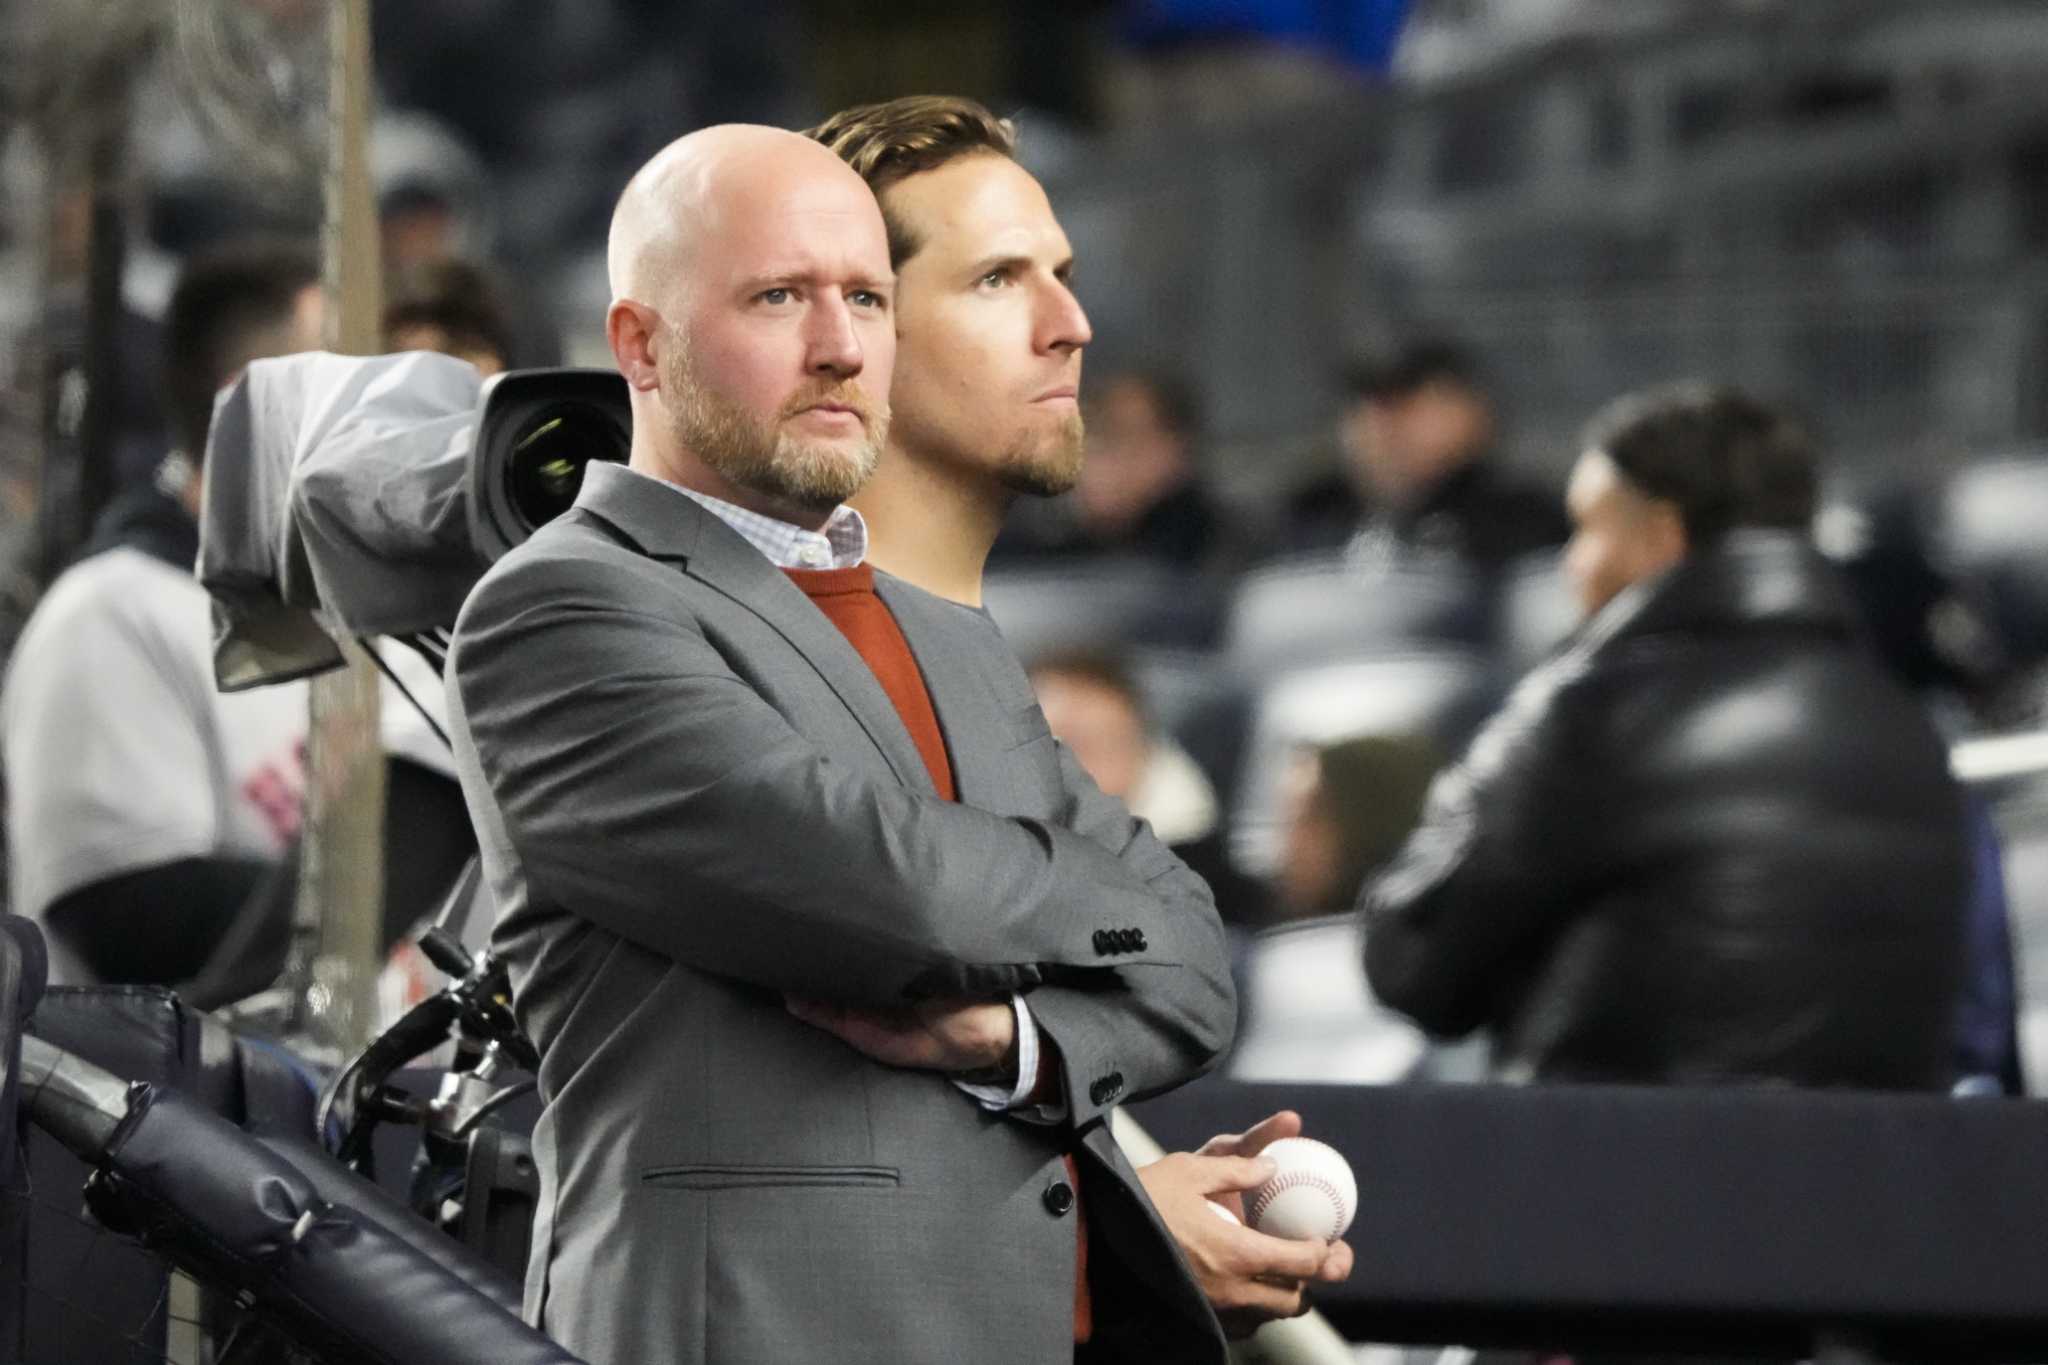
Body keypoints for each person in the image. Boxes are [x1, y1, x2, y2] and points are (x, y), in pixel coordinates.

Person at [446, 124, 1238, 1365]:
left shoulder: (945, 632)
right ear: (637, 345)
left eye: (865, 298)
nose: (838, 347)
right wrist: (1093, 899)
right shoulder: (562, 608)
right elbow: (896, 898)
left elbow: (1192, 960)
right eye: (778, 298)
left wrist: (1016, 1043)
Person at [806, 96, 1352, 1333]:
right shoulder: (760, 659)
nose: (1072, 326)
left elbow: (1189, 966)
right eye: (1001, 280)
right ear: (861, 332)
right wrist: (1109, 1235)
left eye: (1062, 275)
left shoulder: (980, 672)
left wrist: (1016, 1054)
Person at [1361, 383, 1969, 1088]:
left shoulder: (1596, 714)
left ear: (1660, 536)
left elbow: (1411, 958)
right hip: (1862, 1190)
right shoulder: (1911, 733)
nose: (1571, 564)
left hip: (1624, 1174)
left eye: (1587, 528)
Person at [2, 241, 469, 991]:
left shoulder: (379, 616)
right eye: (351, 387)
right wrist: (366, 872)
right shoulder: (113, 614)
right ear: (257, 409)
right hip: (187, 1098)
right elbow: (124, 911)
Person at [1279, 339, 1565, 571]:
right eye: (1365, 405)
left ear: (1470, 413)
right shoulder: (1311, 512)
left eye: (1405, 404)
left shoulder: (1521, 516)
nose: (1379, 425)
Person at [997, 371, 1225, 569]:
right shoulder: (1044, 536)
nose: (1112, 457)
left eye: (1132, 437)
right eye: (1102, 435)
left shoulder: (1209, 540)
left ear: (1175, 448)